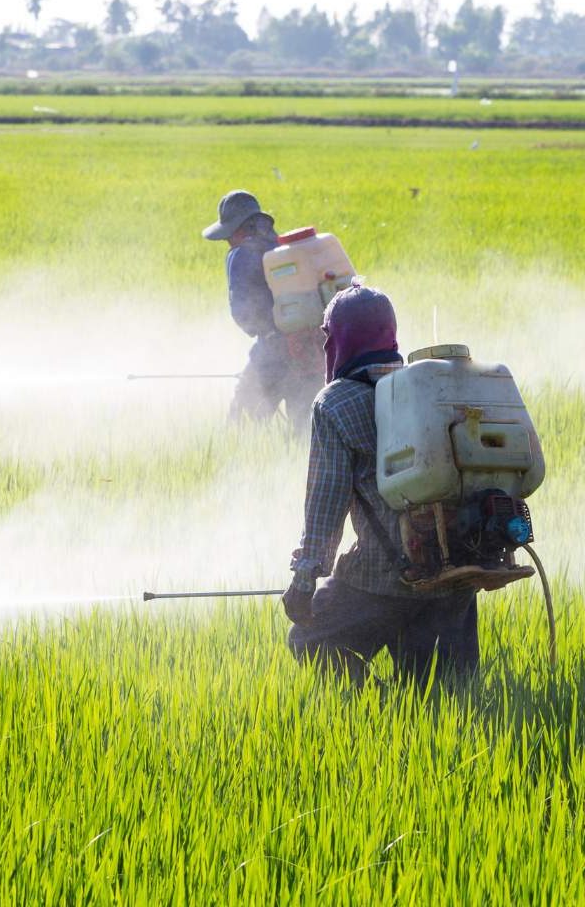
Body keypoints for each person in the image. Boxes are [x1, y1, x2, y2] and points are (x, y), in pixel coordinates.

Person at [282, 284, 479, 685]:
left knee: (309, 639)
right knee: (445, 701)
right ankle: (400, 717)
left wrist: (304, 580)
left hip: (382, 579)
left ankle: (381, 704)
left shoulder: (335, 402)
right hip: (457, 573)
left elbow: (325, 506)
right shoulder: (430, 389)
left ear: (340, 338)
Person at [202, 190, 323, 432]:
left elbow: (243, 314)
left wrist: (264, 340)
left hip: (272, 351)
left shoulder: (240, 255)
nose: (227, 241)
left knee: (240, 426)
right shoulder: (283, 248)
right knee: (306, 433)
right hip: (313, 349)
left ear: (238, 229)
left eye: (228, 235)